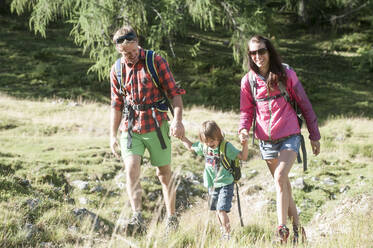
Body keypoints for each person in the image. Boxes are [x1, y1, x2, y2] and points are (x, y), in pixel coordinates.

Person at [239, 35, 321, 244]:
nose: (258, 56)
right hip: (265, 141)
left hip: (290, 136)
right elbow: (246, 111)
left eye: (262, 51)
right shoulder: (248, 81)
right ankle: (298, 230)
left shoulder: (286, 74)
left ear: (269, 51)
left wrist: (314, 135)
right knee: (283, 183)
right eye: (253, 53)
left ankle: (281, 230)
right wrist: (243, 130)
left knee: (279, 178)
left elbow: (304, 103)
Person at [109, 25, 186, 234]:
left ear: (137, 42)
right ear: (119, 51)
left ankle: (171, 218)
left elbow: (175, 94)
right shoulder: (117, 70)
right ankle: (138, 217)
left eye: (134, 50)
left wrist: (177, 121)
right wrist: (112, 135)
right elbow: (116, 105)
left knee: (163, 174)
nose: (131, 55)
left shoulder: (155, 61)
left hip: (157, 125)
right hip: (130, 126)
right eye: (126, 53)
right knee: (131, 168)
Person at [180, 120, 248, 240]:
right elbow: (191, 147)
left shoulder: (226, 147)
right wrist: (182, 137)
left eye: (212, 140)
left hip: (226, 183)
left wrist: (245, 144)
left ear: (218, 136)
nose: (210, 144)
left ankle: (227, 235)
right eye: (206, 141)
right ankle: (224, 231)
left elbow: (243, 156)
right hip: (212, 184)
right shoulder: (204, 146)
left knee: (221, 209)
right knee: (217, 210)